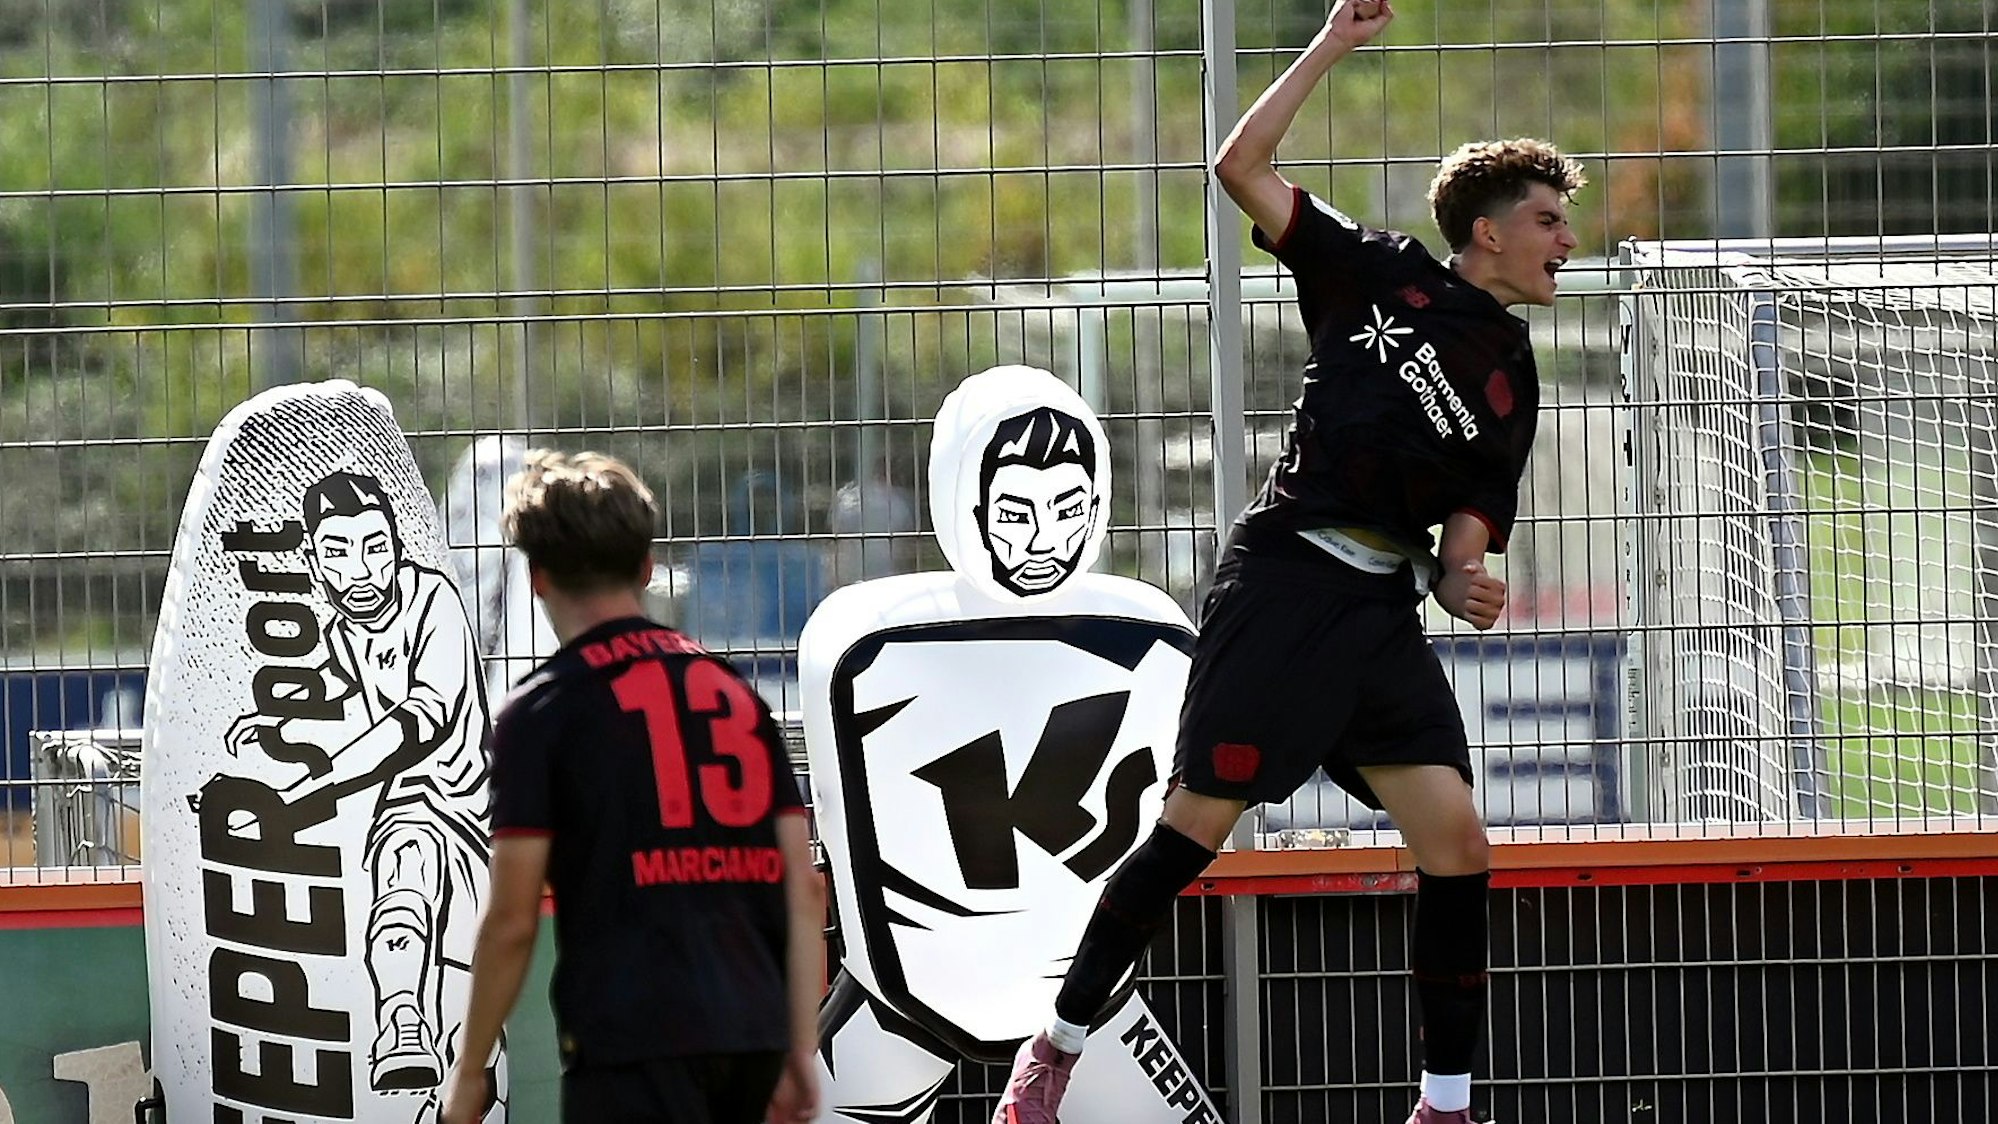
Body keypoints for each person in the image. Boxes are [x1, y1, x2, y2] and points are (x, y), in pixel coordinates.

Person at [993, 3, 1584, 1123]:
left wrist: (1470, 583)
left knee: (1457, 841)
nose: (1568, 241)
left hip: (1377, 613)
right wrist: (1331, 45)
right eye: (1550, 219)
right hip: (1285, 585)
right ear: (1490, 231)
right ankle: (1055, 1048)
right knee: (1193, 832)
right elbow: (1240, 164)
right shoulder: (1376, 272)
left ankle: (1444, 1104)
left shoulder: (1514, 372)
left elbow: (1468, 543)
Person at [440, 450, 822, 1124]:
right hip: (753, 1033)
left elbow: (512, 917)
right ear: (647, 568)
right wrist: (798, 1048)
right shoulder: (736, 696)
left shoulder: (540, 714)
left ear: (538, 578)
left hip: (629, 1042)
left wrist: (471, 1072)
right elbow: (804, 887)